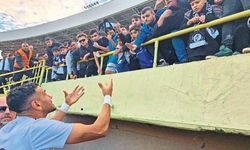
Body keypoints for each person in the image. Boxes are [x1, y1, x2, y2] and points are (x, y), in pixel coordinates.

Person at [0, 79, 113, 149]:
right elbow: (99, 130)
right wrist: (107, 96)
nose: (50, 96)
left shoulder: (11, 127)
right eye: (45, 94)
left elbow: (49, 127)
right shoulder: (37, 128)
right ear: (37, 104)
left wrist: (66, 104)